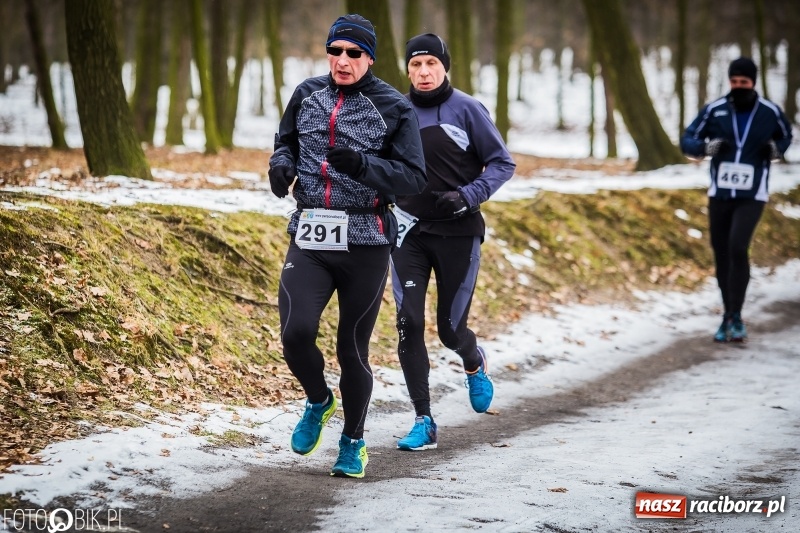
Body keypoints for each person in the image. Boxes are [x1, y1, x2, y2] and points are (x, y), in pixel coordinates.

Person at [268, 14, 427, 478]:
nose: (342, 60)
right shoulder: (306, 94)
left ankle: (353, 441)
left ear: (370, 58)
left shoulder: (394, 107)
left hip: (366, 241)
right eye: (334, 51)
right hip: (312, 234)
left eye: (353, 53)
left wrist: (363, 166)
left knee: (350, 349)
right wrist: (280, 164)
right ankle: (318, 400)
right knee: (295, 333)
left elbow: (415, 177)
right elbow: (286, 142)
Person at [389, 33, 516, 451]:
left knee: (448, 327)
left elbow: (502, 163)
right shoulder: (395, 110)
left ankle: (474, 361)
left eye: (431, 64)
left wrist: (467, 196)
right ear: (406, 70)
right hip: (407, 231)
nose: (423, 73)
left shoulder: (467, 109)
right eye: (415, 65)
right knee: (408, 324)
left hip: (458, 232)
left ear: (445, 67)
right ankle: (423, 419)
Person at [681, 56, 792, 343]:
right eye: (733, 81)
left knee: (737, 247)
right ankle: (727, 314)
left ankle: (738, 316)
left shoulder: (769, 112)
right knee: (721, 253)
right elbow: (687, 139)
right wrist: (706, 147)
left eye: (743, 82)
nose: (738, 86)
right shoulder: (716, 109)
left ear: (753, 82)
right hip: (720, 193)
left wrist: (775, 150)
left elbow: (786, 136)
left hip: (752, 194)